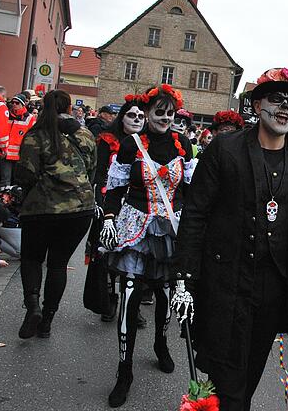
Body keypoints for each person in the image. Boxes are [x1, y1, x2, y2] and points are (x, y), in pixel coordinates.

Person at [172, 67, 288, 411]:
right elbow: (195, 214)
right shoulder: (226, 149)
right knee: (226, 380)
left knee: (248, 376)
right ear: (257, 106)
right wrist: (183, 278)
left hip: (275, 291)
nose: (285, 107)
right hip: (227, 284)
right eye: (276, 99)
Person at [99, 85, 194, 407]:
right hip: (136, 227)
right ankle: (124, 370)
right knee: (129, 296)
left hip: (170, 229)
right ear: (149, 112)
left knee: (167, 295)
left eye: (170, 112)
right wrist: (109, 218)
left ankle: (160, 344)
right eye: (159, 111)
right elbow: (115, 188)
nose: (165, 117)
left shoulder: (185, 146)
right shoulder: (130, 144)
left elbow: (193, 194)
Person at [14, 89, 96, 340]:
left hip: (42, 208)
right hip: (79, 210)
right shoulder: (85, 134)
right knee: (58, 263)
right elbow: (92, 169)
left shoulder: (36, 135)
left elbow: (25, 174)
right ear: (70, 108)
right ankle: (47, 320)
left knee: (31, 258)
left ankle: (33, 306)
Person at [86, 97, 146, 325]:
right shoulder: (108, 140)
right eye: (132, 115)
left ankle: (133, 306)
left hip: (137, 207)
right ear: (122, 117)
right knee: (107, 255)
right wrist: (102, 202)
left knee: (137, 258)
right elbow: (100, 172)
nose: (137, 120)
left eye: (141, 116)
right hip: (111, 204)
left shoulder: (149, 142)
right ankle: (108, 300)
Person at [1, 94, 36, 188]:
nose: (14, 105)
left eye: (17, 103)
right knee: (5, 179)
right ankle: (3, 198)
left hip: (20, 155)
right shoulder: (7, 115)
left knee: (17, 180)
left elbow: (33, 136)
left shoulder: (29, 118)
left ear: (23, 104)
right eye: (12, 102)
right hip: (6, 154)